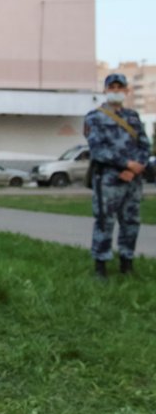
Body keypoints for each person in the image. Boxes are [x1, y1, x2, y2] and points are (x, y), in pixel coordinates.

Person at [84, 73, 151, 278]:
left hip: (133, 179)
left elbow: (144, 145)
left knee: (131, 221)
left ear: (126, 91)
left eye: (119, 87)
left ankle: (126, 262)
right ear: (105, 90)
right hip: (108, 179)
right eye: (111, 87)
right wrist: (126, 164)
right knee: (105, 221)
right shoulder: (94, 116)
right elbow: (97, 149)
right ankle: (101, 265)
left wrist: (134, 168)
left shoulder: (133, 116)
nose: (116, 91)